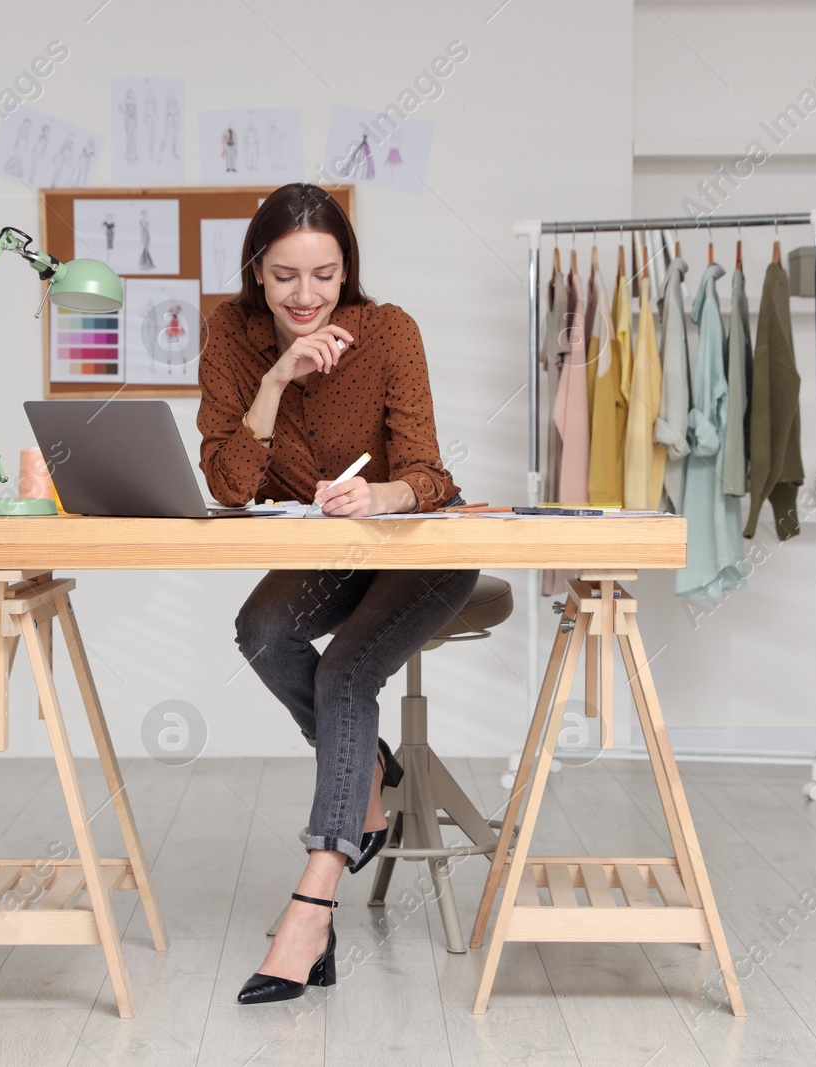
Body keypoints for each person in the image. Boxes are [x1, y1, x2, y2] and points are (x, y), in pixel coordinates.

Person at [196, 182, 478, 1005]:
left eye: (325, 274)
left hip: (421, 550)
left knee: (344, 674)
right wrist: (276, 379)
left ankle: (313, 902)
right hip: (339, 558)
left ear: (347, 268)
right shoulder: (232, 337)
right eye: (286, 276)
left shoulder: (389, 331)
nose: (307, 295)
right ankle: (370, 774)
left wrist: (383, 495)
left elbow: (432, 473)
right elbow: (229, 483)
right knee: (260, 630)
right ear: (257, 271)